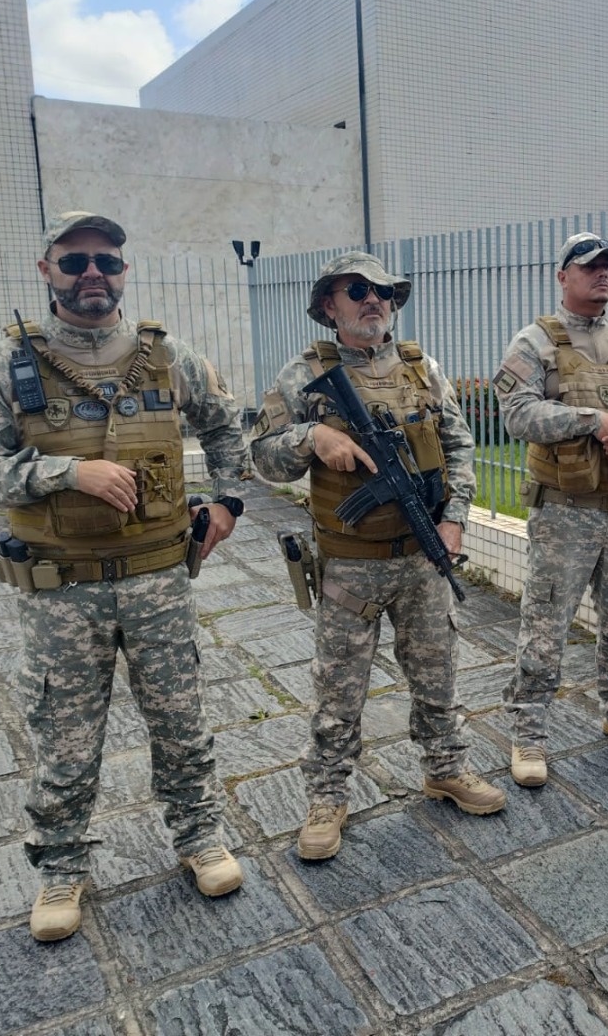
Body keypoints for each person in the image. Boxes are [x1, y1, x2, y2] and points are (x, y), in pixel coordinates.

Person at [0, 212, 249, 942]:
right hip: (62, 591)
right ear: (46, 270)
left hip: (157, 581)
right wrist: (68, 471)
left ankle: (200, 837)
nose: (93, 275)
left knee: (180, 721)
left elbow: (224, 423)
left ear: (122, 271)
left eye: (106, 262)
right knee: (66, 736)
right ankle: (60, 868)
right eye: (75, 260)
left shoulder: (168, 356)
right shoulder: (7, 365)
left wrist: (227, 499)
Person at [250, 251, 504, 860]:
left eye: (385, 291)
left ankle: (446, 767)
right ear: (328, 306)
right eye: (358, 289)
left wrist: (454, 519)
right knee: (339, 688)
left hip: (422, 555)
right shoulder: (303, 373)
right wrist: (314, 436)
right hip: (351, 564)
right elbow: (260, 454)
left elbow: (458, 443)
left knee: (437, 670)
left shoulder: (422, 368)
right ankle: (328, 795)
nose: (374, 300)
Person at [493, 233, 608, 786]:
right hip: (564, 514)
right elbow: (517, 414)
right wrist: (591, 421)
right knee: (545, 626)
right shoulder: (535, 343)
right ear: (563, 276)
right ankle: (528, 733)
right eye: (590, 266)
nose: (602, 274)